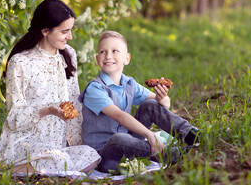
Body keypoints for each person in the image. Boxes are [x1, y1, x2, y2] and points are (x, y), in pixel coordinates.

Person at [0, 0, 100, 174]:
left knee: (90, 155)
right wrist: (48, 110)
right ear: (45, 30)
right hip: (25, 141)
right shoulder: (20, 62)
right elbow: (14, 117)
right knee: (58, 160)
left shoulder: (69, 55)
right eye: (65, 31)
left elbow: (74, 101)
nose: (70, 37)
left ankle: (53, 169)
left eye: (70, 30)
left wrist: (78, 144)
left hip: (55, 145)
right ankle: (5, 169)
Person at [78, 30, 200, 172]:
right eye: (103, 52)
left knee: (150, 105)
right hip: (103, 157)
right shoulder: (95, 88)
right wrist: (149, 134)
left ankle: (191, 135)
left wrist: (162, 97)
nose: (108, 56)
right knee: (118, 138)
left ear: (126, 58)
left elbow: (163, 105)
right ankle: (173, 154)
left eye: (115, 51)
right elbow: (119, 115)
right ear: (97, 58)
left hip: (127, 147)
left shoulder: (129, 83)